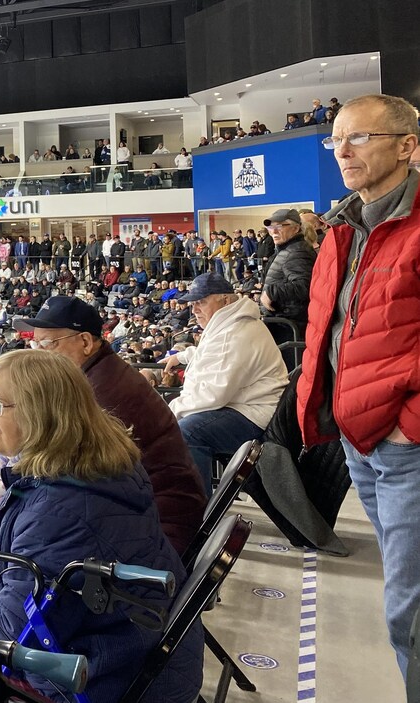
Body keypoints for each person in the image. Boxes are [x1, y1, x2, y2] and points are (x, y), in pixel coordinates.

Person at [0, 351, 202, 702]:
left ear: (40, 414)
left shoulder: (58, 509)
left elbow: (12, 630)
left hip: (101, 677)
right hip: (128, 649)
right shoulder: (94, 464)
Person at [297, 93, 420, 675]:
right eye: (336, 139)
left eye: (360, 138)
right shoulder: (343, 228)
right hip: (360, 441)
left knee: (410, 611)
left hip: (405, 445)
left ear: (407, 146)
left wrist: (406, 425)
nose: (343, 150)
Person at [14, 296, 206, 554]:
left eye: (47, 344)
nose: (38, 354)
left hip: (161, 530)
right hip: (156, 514)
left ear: (85, 342)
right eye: (35, 343)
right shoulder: (102, 373)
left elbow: (70, 472)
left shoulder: (100, 393)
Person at [165, 272, 288, 494]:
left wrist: (169, 411)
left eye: (201, 302)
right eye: (192, 304)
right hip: (246, 407)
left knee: (187, 431)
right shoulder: (231, 323)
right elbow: (211, 354)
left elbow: (214, 395)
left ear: (227, 300)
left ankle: (197, 511)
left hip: (254, 416)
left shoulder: (235, 333)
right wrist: (182, 356)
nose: (194, 310)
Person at [259, 208, 317, 335]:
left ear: (296, 229)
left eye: (279, 226)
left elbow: (304, 285)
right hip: (282, 322)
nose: (273, 231)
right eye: (270, 227)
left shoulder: (297, 251)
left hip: (289, 326)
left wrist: (271, 292)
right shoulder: (287, 249)